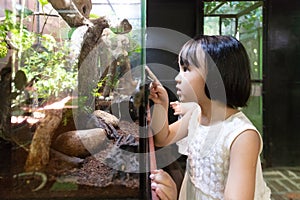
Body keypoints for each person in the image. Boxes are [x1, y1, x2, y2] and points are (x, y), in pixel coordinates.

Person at [148, 35, 271, 200]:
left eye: (186, 69)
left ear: (216, 76)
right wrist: (161, 105)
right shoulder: (196, 114)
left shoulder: (242, 136)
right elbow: (163, 138)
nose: (177, 78)